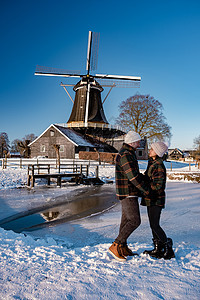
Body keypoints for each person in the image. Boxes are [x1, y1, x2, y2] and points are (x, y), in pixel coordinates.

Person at [108, 131, 150, 261]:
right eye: (137, 142)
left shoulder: (128, 153)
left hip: (127, 191)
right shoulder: (126, 155)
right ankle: (116, 245)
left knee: (126, 220)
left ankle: (122, 246)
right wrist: (145, 190)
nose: (139, 144)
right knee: (134, 220)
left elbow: (134, 173)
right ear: (132, 142)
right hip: (128, 191)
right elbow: (133, 176)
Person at [141, 141, 175, 260]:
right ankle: (158, 248)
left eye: (151, 149)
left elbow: (158, 185)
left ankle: (168, 246)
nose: (149, 151)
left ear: (157, 153)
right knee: (152, 224)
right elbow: (147, 177)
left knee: (155, 225)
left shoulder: (159, 166)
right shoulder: (152, 163)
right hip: (151, 198)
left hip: (156, 198)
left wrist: (146, 187)